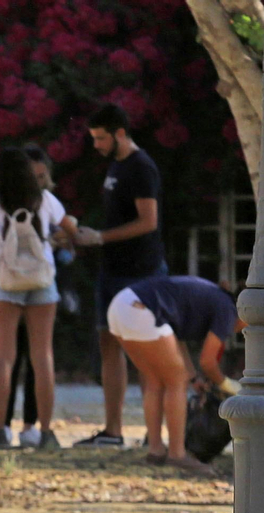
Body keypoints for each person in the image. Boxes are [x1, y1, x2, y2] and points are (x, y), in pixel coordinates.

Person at [72, 103, 168, 448]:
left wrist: (100, 237)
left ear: (120, 134)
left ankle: (154, 432)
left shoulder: (142, 168)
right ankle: (113, 431)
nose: (96, 145)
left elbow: (148, 222)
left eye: (100, 138)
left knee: (145, 350)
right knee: (108, 344)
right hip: (112, 270)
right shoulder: (116, 165)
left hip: (141, 271)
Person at [0, 146, 76, 450]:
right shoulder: (44, 199)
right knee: (42, 356)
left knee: (3, 357)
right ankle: (45, 432)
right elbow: (69, 226)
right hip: (42, 281)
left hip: (6, 282)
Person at [106, 274, 242, 476]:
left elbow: (177, 339)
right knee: (176, 381)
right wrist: (228, 385)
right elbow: (208, 361)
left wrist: (194, 377)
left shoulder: (216, 298)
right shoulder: (228, 310)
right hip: (140, 309)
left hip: (121, 306)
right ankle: (177, 455)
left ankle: (156, 450)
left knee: (155, 381)